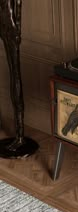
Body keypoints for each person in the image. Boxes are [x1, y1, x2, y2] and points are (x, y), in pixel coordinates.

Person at [0, 0, 25, 152]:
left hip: (9, 23)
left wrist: (18, 27)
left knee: (15, 76)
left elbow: (18, 2)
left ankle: (20, 135)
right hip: (4, 20)